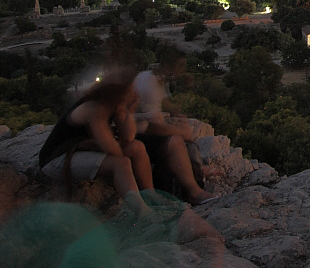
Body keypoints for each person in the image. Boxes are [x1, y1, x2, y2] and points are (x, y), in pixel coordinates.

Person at [37, 70, 154, 217]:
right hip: (56, 159)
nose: (134, 93)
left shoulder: (114, 105)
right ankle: (142, 212)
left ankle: (151, 195)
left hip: (79, 151)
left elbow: (129, 137)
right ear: (117, 93)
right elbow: (113, 151)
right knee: (121, 163)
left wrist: (129, 110)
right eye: (131, 90)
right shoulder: (95, 109)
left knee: (137, 147)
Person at [133, 65, 218, 205]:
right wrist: (177, 130)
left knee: (182, 132)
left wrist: (176, 116)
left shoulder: (153, 79)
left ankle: (197, 170)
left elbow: (164, 106)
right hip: (137, 134)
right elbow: (150, 126)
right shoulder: (150, 85)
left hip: (138, 130)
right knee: (176, 140)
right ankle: (194, 191)